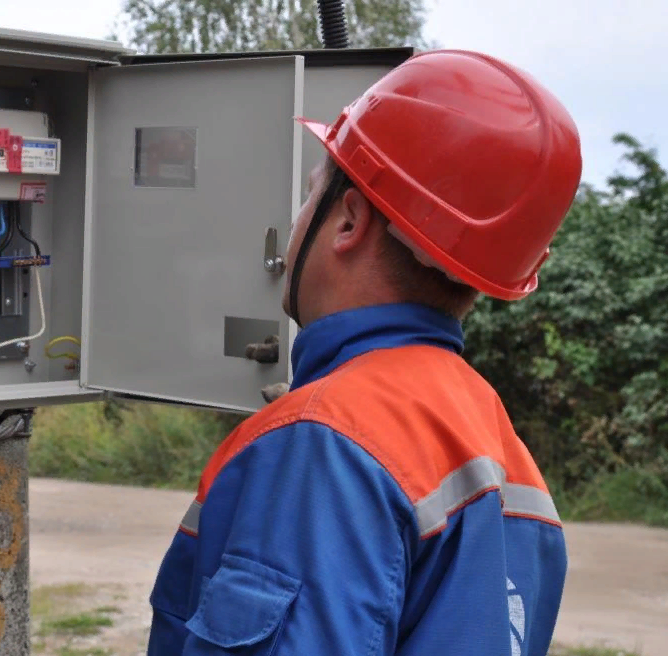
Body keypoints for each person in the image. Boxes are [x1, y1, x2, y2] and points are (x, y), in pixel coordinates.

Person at [146, 49, 582, 656]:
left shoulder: (323, 441)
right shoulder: (490, 431)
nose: (295, 222)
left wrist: (312, 433)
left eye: (310, 194)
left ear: (349, 220)